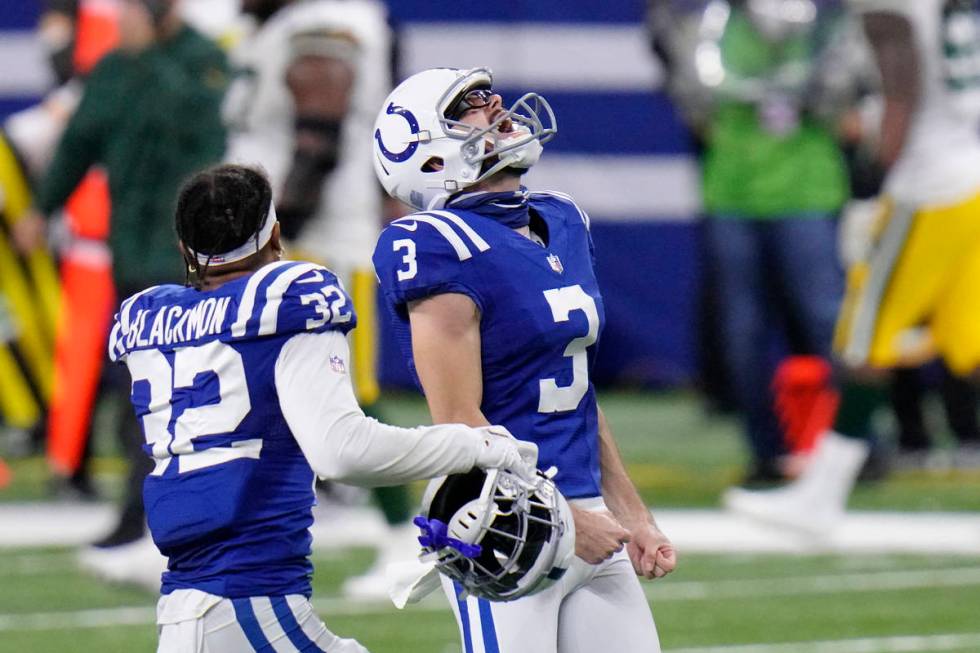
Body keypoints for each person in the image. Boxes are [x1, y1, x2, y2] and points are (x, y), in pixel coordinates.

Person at [112, 163, 537, 652]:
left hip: (194, 608)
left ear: (184, 247)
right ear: (275, 234)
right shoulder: (288, 296)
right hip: (249, 604)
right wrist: (473, 444)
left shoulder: (146, 316)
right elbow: (342, 452)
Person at [371, 67, 677, 652]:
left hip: (587, 511)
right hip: (502, 519)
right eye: (471, 107)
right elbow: (459, 420)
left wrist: (631, 510)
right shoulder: (435, 244)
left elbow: (577, 390)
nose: (500, 110)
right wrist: (562, 520)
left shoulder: (561, 219)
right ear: (429, 157)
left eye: (492, 97)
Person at [725, 0, 980, 532]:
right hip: (968, 175)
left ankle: (819, 499)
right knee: (969, 347)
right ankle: (820, 493)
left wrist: (870, 184)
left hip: (927, 188)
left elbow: (901, 97)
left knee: (864, 342)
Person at [222, 0, 414, 599]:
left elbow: (318, 135)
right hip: (301, 240)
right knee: (262, 393)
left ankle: (408, 534)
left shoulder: (325, 21)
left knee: (348, 393)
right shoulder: (293, 23)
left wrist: (272, 231)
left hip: (317, 243)